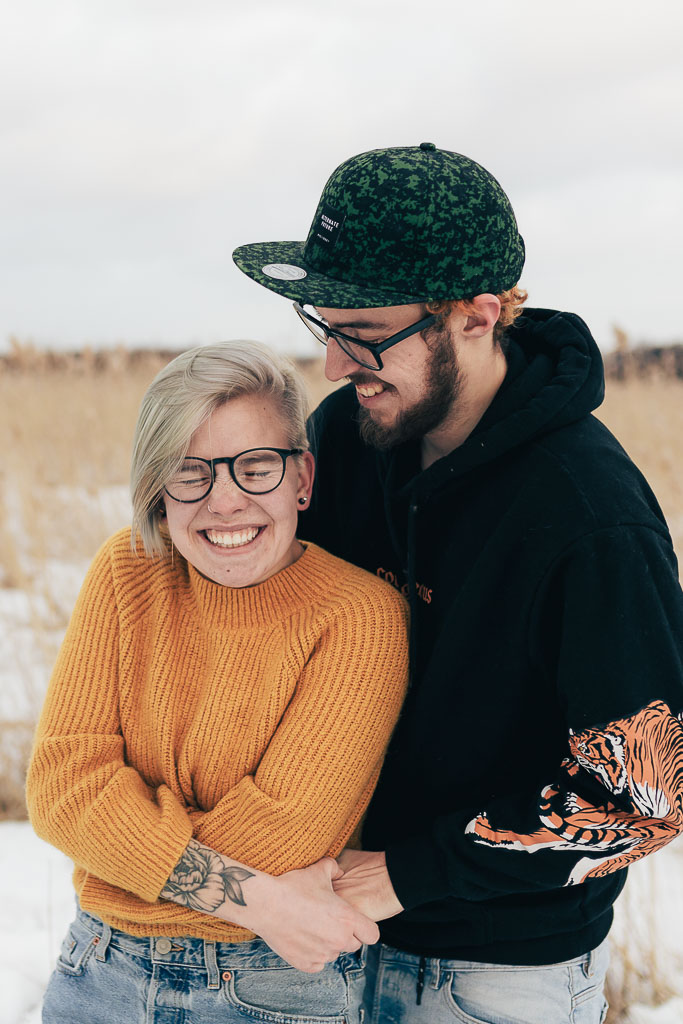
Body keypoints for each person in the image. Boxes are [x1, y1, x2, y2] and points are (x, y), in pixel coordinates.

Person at [232, 144, 683, 1024]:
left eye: (363, 337)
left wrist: (405, 873)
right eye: (323, 329)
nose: (332, 367)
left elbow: (645, 797)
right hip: (308, 937)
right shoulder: (346, 436)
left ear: (477, 316)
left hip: (491, 978)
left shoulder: (591, 520)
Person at [26, 339, 410, 1024]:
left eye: (256, 466)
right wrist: (263, 899)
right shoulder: (127, 571)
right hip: (100, 971)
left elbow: (284, 838)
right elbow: (61, 789)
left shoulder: (358, 616)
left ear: (303, 479)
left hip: (268, 988)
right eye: (190, 471)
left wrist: (128, 837)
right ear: (156, 485)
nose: (225, 501)